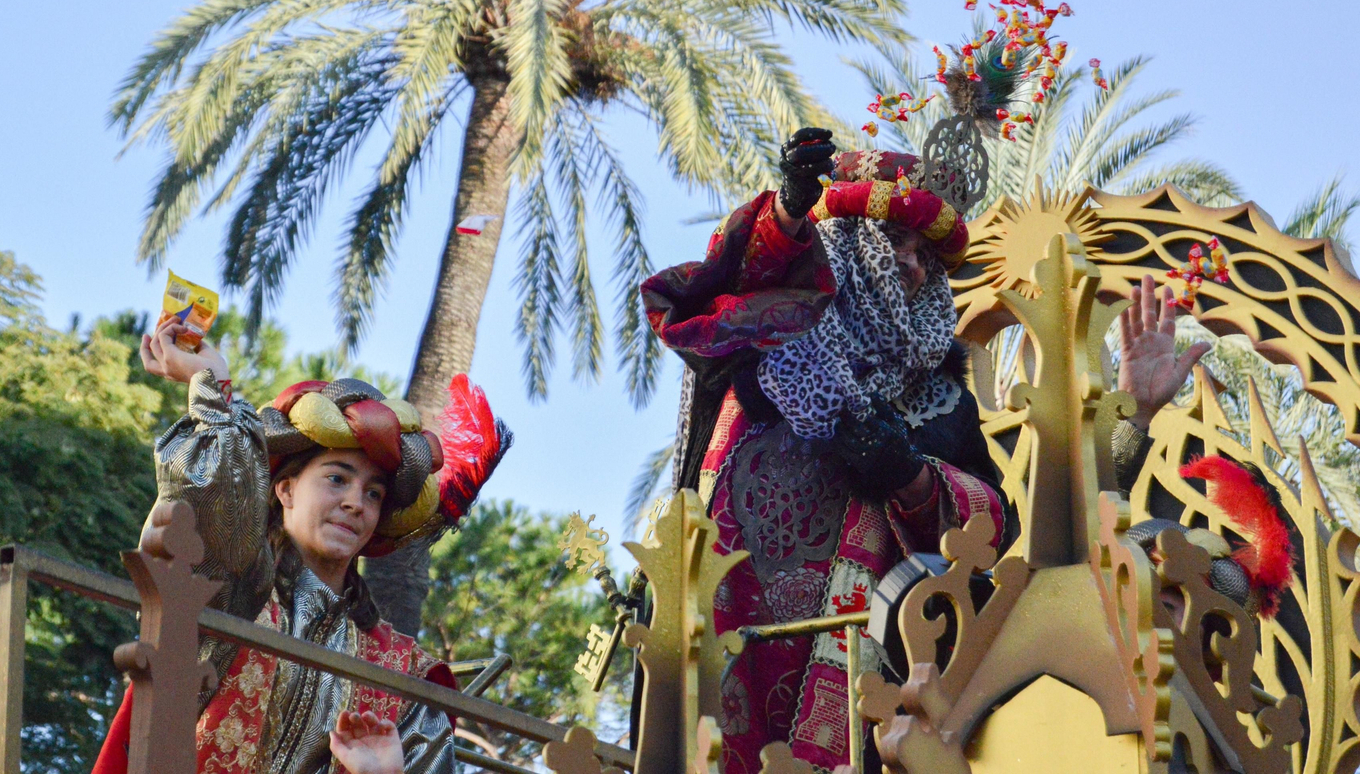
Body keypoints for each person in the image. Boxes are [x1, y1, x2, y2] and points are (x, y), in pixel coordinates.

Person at [641, 128, 1207, 772]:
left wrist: (910, 477)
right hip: (716, 644)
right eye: (893, 242)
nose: (911, 264)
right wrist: (791, 213)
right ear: (847, 246)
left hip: (849, 673)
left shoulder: (944, 403)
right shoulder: (770, 336)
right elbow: (711, 291)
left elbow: (998, 538)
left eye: (923, 255)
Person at [91, 315, 510, 774]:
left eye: (374, 493)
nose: (356, 503)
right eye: (337, 479)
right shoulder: (231, 591)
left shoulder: (403, 673)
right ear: (284, 490)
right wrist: (209, 385)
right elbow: (204, 514)